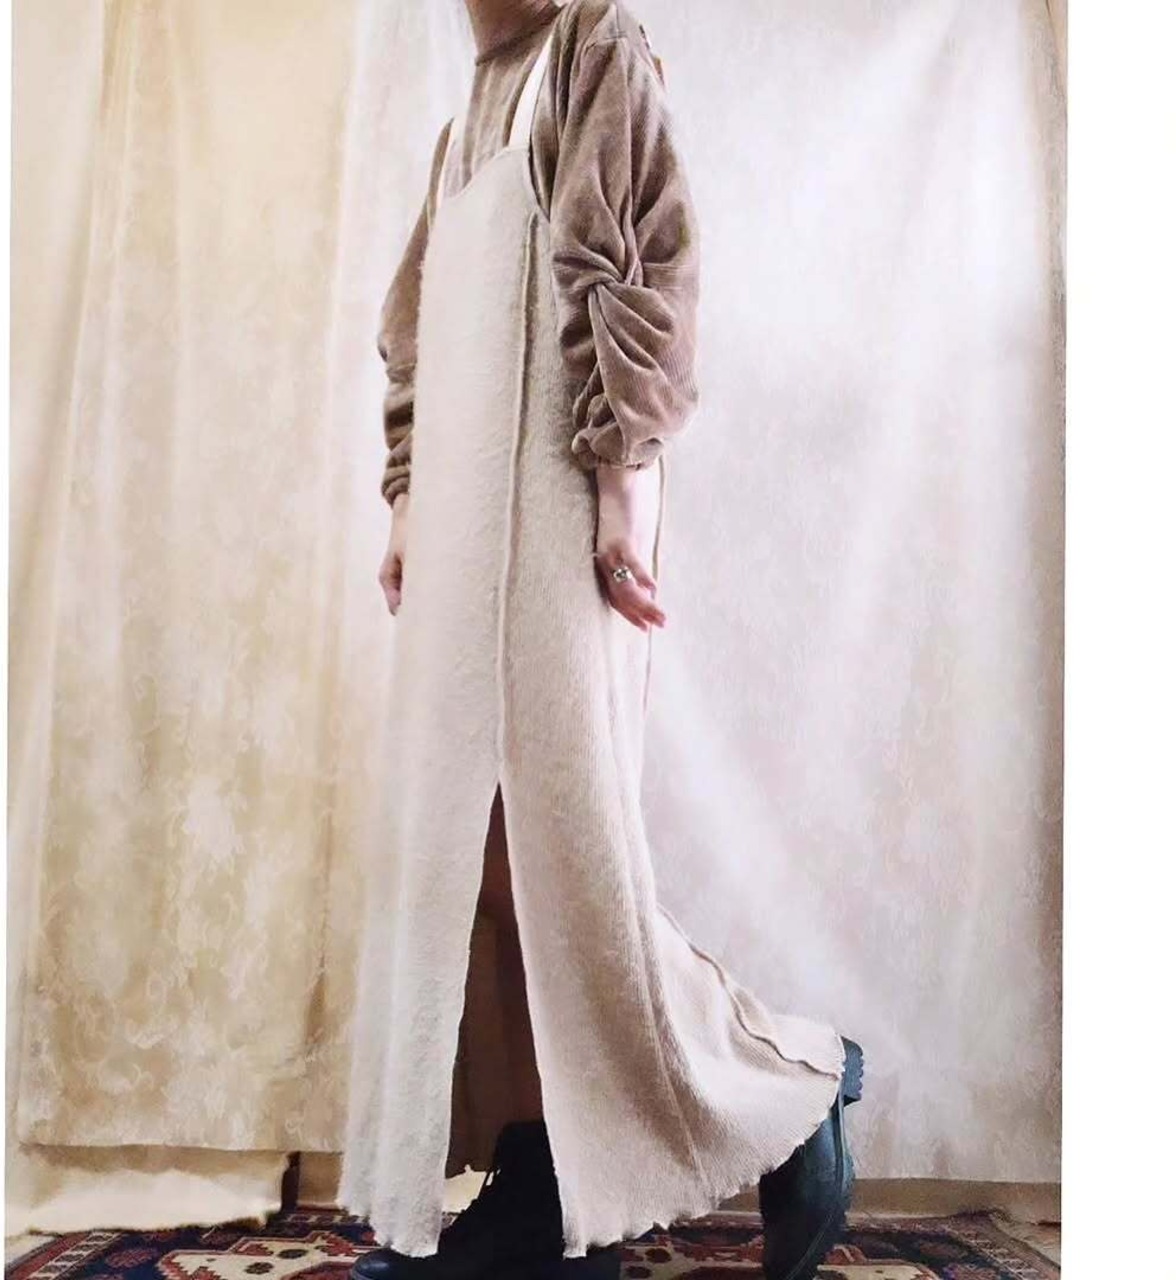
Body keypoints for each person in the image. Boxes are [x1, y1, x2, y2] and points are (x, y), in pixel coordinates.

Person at [337, 4, 864, 1279]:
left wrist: (623, 483)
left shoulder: (592, 48)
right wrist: (406, 496)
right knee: (474, 861)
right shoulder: (470, 108)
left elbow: (638, 266)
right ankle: (549, 1171)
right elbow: (416, 329)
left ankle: (789, 1085)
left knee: (564, 857)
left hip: (560, 510)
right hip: (463, 529)